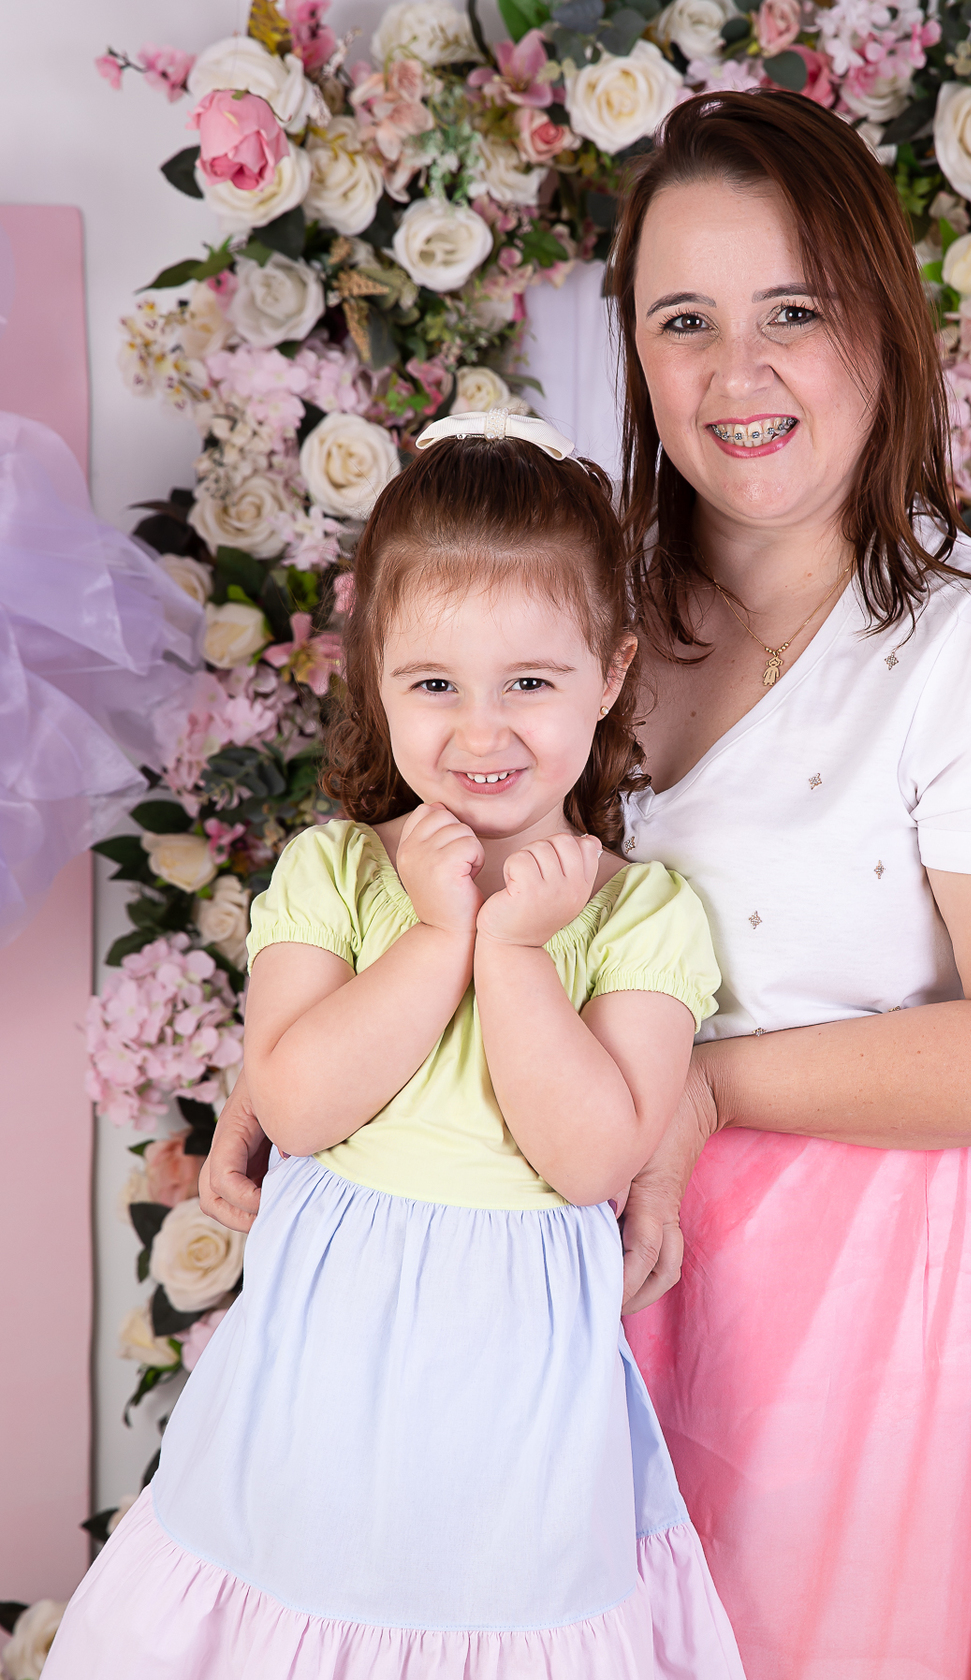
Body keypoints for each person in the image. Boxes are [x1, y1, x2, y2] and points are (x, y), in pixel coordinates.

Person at [202, 92, 971, 1680]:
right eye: (685, 320)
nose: (738, 372)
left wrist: (702, 1093)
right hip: (561, 1285)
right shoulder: (588, 606)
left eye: (794, 311)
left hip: (884, 1318)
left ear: (884, 325)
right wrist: (306, 1054)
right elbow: (437, 868)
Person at [45, 418, 745, 1680]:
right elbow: (298, 1105)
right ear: (376, 676)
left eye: (529, 682)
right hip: (319, 1395)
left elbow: (592, 1158)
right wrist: (437, 937)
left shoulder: (638, 912)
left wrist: (515, 955)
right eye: (435, 685)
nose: (481, 733)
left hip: (512, 1421)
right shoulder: (336, 872)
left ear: (610, 672)